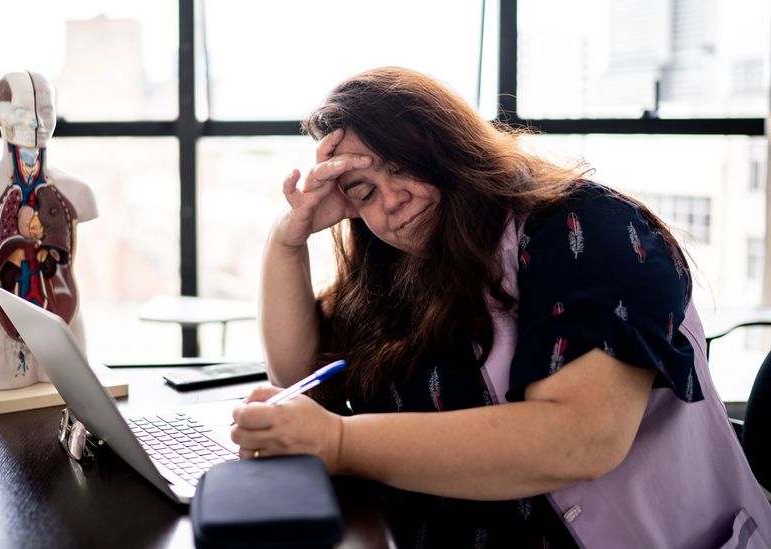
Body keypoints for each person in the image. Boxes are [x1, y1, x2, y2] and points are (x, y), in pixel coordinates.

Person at [232, 67, 771, 548]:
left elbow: (579, 441)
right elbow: (301, 379)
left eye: (402, 166)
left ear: (452, 146)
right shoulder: (401, 264)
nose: (390, 199)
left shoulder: (584, 228)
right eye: (363, 191)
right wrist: (288, 238)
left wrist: (339, 442)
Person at [0, 70, 97, 390]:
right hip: (2, 332)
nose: (37, 125)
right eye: (23, 113)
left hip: (65, 322)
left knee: (72, 411)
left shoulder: (78, 192)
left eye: (46, 113)